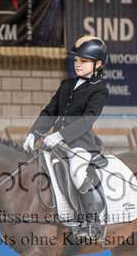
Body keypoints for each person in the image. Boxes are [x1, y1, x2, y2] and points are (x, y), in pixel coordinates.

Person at [22, 36, 109, 240]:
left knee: (77, 174)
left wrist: (60, 135)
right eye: (76, 60)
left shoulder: (98, 90)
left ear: (98, 64)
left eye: (84, 61)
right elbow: (50, 112)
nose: (78, 64)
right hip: (55, 144)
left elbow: (87, 120)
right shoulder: (66, 85)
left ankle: (92, 223)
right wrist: (32, 134)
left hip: (79, 144)